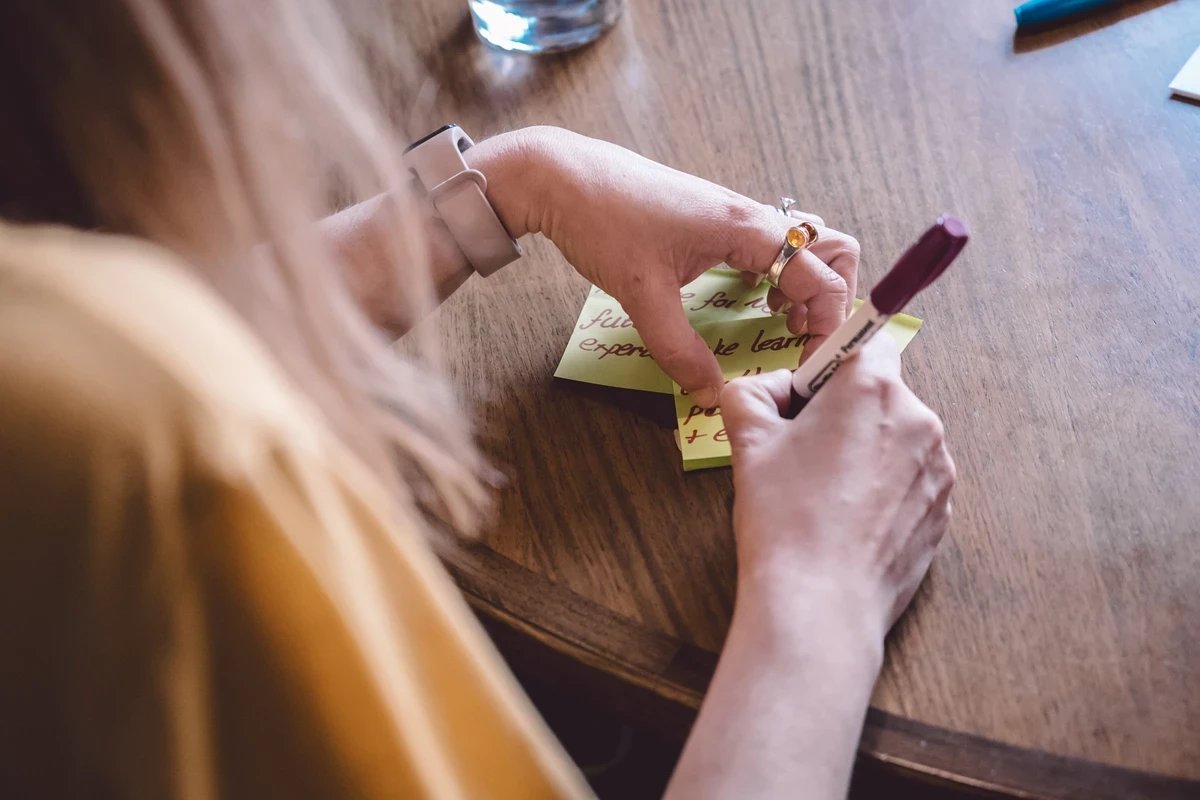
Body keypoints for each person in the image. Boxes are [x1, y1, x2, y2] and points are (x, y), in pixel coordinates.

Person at [0, 1, 955, 798]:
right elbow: (140, 369)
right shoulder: (157, 447)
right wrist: (820, 600)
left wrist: (516, 180)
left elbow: (134, 325)